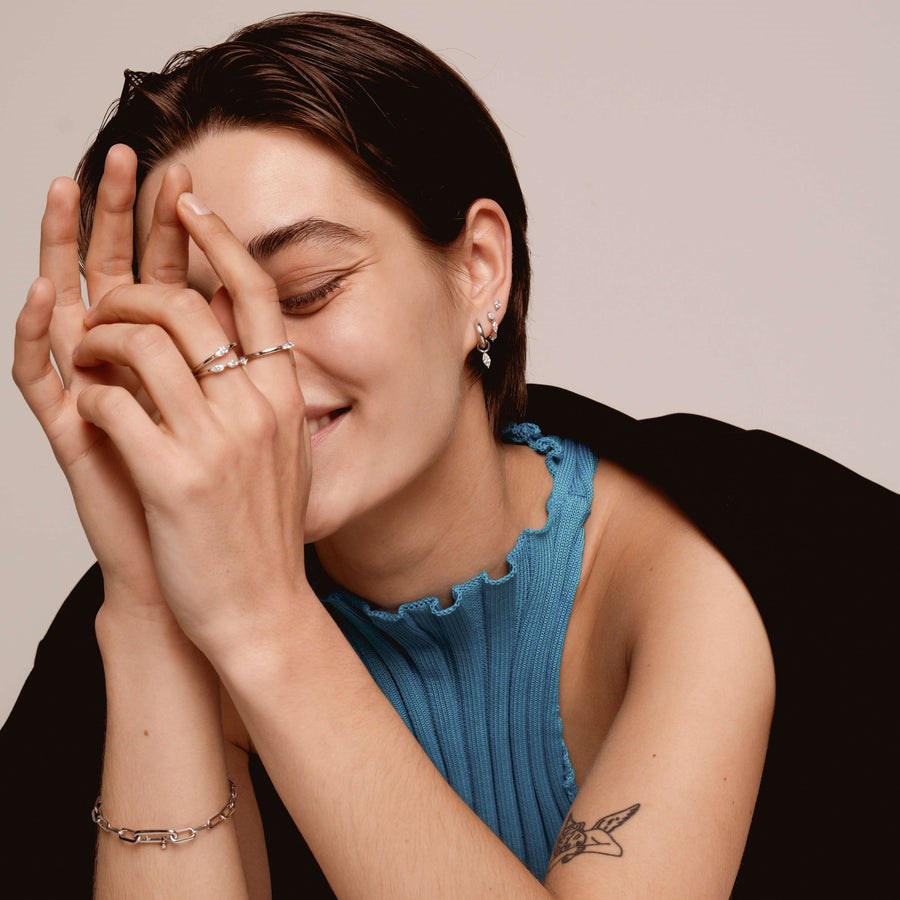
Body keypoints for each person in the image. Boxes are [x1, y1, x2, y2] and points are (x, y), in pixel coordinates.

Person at [3, 10, 896, 898]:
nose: (251, 379)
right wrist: (150, 608)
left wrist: (266, 622)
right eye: (192, 329)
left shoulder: (694, 562)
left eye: (306, 291)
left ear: (478, 269)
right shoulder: (178, 602)